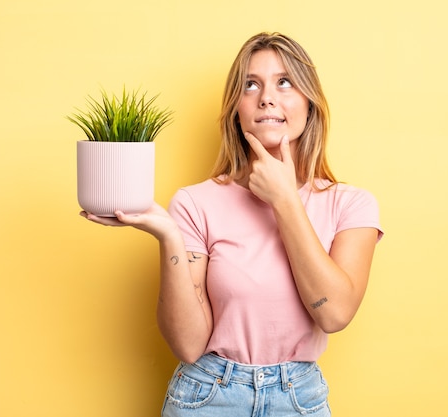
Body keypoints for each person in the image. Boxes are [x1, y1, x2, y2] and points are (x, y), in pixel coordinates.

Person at [81, 32, 383, 417]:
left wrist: (286, 200)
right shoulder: (195, 203)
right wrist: (169, 237)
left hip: (299, 400)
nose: (267, 97)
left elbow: (334, 314)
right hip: (207, 397)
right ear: (236, 111)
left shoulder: (351, 204)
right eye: (250, 84)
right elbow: (189, 346)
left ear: (310, 105)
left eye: (284, 82)